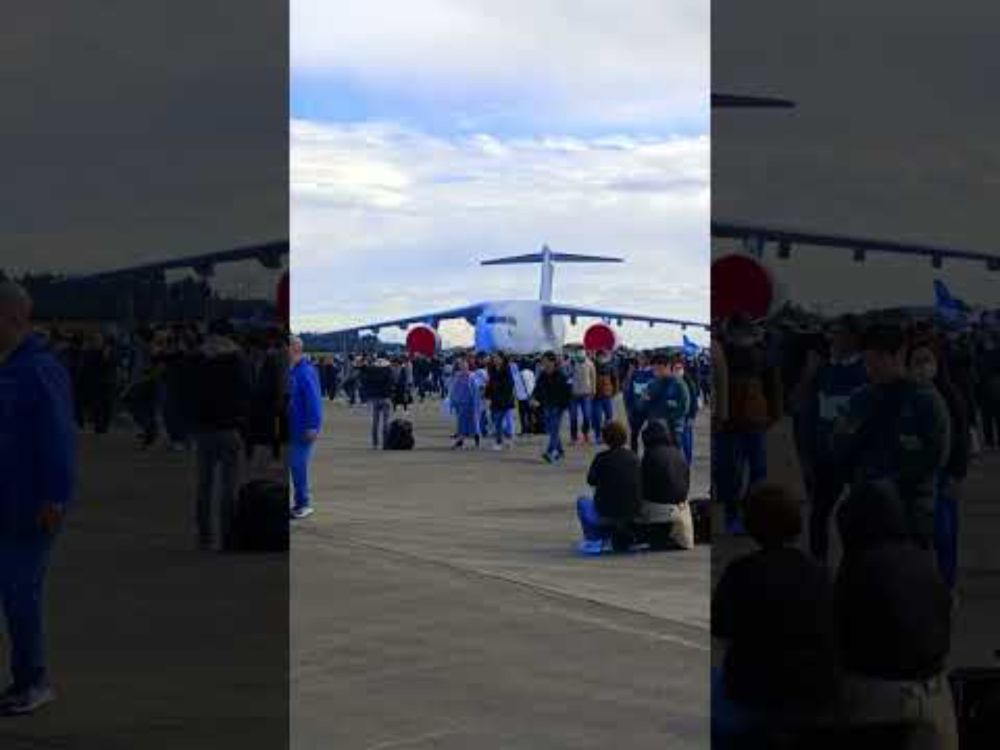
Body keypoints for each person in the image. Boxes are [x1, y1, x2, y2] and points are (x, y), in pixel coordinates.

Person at [712, 484, 841, 742]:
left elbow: (720, 627)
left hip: (754, 691)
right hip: (812, 692)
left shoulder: (741, 572)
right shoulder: (817, 573)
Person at [834, 481, 957, 748]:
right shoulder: (923, 562)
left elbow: (839, 635)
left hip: (880, 694)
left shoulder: (859, 568)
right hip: (933, 689)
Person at [0, 283, 75, 715]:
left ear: (12, 318)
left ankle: (33, 680)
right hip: (7, 496)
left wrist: (54, 496)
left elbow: (56, 436)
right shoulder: (10, 366)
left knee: (19, 592)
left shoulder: (38, 370)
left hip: (31, 503)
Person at [822, 322, 950, 559]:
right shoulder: (861, 399)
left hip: (910, 511)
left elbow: (935, 457)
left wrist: (891, 484)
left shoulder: (925, 400)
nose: (871, 368)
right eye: (867, 361)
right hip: (865, 507)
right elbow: (838, 444)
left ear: (899, 354)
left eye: (878, 359)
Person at [191, 320, 251, 549]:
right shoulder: (237, 359)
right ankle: (227, 536)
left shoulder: (199, 358)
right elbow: (247, 390)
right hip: (230, 427)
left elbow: (190, 390)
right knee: (229, 486)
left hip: (204, 428)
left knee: (203, 485)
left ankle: (204, 535)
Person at [575, 420, 641, 553]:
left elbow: (591, 480)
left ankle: (595, 538)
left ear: (605, 439)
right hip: (632, 511)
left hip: (606, 511)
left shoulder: (601, 458)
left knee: (582, 501)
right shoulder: (634, 458)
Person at [639, 419, 692, 550]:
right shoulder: (677, 453)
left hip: (656, 503)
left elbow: (643, 482)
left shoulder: (650, 455)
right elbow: (686, 478)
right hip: (679, 503)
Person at [288, 337, 323, 520]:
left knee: (297, 465)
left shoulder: (304, 372)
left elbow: (313, 400)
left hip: (302, 428)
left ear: (294, 349)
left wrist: (313, 425)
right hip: (290, 426)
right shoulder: (291, 371)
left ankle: (303, 503)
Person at [639, 353, 690, 451]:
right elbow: (642, 405)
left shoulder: (678, 384)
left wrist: (669, 419)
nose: (656, 373)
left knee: (674, 454)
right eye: (654, 370)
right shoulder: (651, 384)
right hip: (655, 428)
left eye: (659, 369)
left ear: (667, 367)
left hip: (673, 428)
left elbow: (684, 407)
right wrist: (644, 400)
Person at [533, 351, 572, 463]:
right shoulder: (543, 374)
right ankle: (560, 451)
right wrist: (534, 398)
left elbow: (567, 391)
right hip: (546, 404)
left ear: (552, 361)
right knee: (552, 429)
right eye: (543, 361)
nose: (544, 363)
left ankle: (550, 452)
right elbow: (537, 388)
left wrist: (565, 405)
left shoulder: (561, 375)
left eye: (545, 361)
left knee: (554, 428)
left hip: (558, 406)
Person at [622, 353, 654, 451]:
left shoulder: (653, 373)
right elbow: (627, 390)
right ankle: (634, 455)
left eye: (643, 358)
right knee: (634, 434)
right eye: (639, 358)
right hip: (636, 409)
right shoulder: (634, 373)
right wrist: (629, 407)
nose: (641, 360)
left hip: (650, 409)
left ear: (648, 359)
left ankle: (650, 455)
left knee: (651, 435)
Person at [449, 357, 481, 449]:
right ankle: (460, 441)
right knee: (461, 423)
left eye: (464, 365)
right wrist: (452, 402)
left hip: (471, 403)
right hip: (461, 404)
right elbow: (454, 390)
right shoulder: (458, 376)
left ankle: (477, 439)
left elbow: (476, 391)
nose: (463, 367)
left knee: (473, 422)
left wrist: (476, 404)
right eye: (461, 366)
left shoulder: (472, 376)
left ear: (468, 366)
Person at [485, 352, 516, 450]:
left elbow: (510, 384)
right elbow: (490, 383)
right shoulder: (492, 369)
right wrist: (487, 394)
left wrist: (502, 392)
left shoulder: (506, 369)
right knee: (496, 420)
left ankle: (502, 441)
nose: (495, 359)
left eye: (497, 358)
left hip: (505, 400)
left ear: (502, 359)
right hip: (495, 399)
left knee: (501, 420)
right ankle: (505, 439)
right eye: (494, 358)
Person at [363, 357, 394, 449]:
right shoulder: (388, 371)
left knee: (375, 422)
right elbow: (391, 383)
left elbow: (365, 380)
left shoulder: (372, 371)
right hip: (385, 397)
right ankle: (385, 443)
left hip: (375, 398)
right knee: (385, 422)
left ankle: (375, 443)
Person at [591, 350, 619, 445]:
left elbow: (615, 379)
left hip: (607, 395)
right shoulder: (593, 365)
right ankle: (597, 436)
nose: (601, 358)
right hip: (596, 396)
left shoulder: (610, 366)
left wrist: (615, 391)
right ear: (596, 357)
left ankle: (607, 436)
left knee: (609, 416)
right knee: (597, 418)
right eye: (599, 356)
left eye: (603, 356)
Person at [568, 350, 596, 444]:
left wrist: (593, 390)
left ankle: (585, 433)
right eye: (578, 356)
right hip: (573, 394)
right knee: (573, 417)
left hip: (586, 394)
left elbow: (593, 377)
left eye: (582, 356)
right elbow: (567, 375)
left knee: (587, 416)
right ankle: (574, 437)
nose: (580, 358)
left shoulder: (590, 364)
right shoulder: (571, 363)